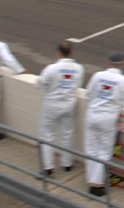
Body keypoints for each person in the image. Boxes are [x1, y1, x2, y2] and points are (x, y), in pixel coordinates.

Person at [84, 52, 124, 197]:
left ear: (108, 62)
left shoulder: (98, 75)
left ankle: (91, 179)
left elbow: (89, 93)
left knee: (91, 149)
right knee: (104, 151)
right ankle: (97, 184)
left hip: (92, 113)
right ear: (122, 63)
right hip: (108, 117)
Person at [36, 41, 84, 176]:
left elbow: (40, 84)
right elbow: (77, 85)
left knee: (47, 135)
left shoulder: (51, 68)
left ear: (58, 53)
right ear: (71, 52)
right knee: (67, 133)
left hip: (52, 104)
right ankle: (67, 163)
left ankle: (48, 167)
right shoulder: (79, 68)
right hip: (69, 103)